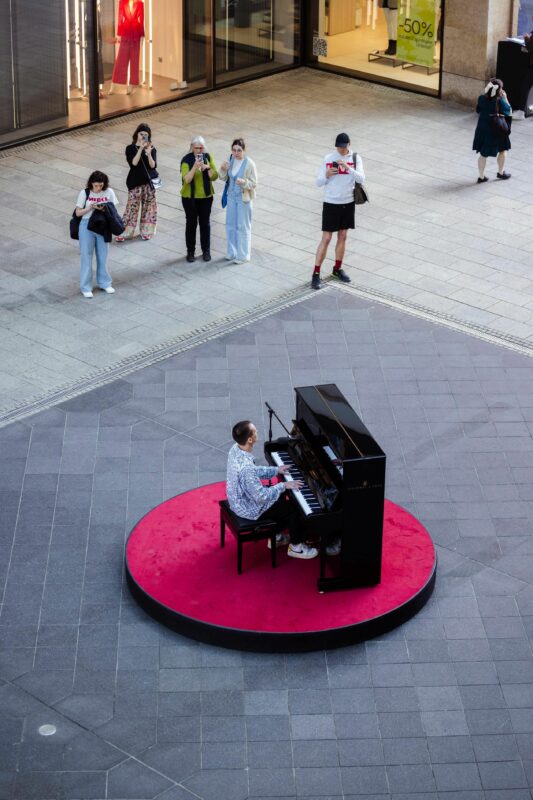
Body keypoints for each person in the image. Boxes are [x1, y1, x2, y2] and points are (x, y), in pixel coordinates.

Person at [226, 421, 319, 560]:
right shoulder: (246, 468)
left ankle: (276, 536)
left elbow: (253, 472)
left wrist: (275, 470)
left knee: (280, 498)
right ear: (250, 439)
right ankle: (296, 547)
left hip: (238, 500)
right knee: (293, 508)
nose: (257, 433)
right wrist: (284, 485)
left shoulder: (235, 449)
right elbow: (261, 497)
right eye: (255, 431)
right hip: (249, 508)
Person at [311, 133, 365, 290]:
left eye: (343, 146)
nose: (341, 150)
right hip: (331, 202)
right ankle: (315, 273)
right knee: (326, 238)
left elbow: (361, 179)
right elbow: (318, 182)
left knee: (343, 236)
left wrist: (348, 168)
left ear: (349, 144)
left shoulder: (355, 158)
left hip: (348, 202)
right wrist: (327, 175)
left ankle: (337, 269)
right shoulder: (328, 158)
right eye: (339, 147)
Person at [75, 171, 117, 298]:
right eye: (96, 185)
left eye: (100, 185)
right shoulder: (85, 193)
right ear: (91, 183)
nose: (98, 188)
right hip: (86, 225)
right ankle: (86, 287)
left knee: (103, 255)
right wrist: (91, 207)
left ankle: (105, 283)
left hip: (103, 225)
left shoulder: (109, 192)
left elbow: (113, 210)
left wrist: (104, 208)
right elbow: (78, 213)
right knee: (86, 256)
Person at [218, 138, 258, 264]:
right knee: (230, 225)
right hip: (231, 197)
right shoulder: (231, 160)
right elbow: (223, 178)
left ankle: (243, 255)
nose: (236, 153)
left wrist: (244, 182)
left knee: (243, 226)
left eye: (239, 150)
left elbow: (254, 183)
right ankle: (232, 252)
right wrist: (223, 169)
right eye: (234, 150)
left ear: (244, 150)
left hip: (243, 198)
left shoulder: (249, 163)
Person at [180, 135, 219, 262]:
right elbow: (186, 179)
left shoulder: (207, 157)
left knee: (205, 224)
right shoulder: (186, 160)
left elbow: (214, 177)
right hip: (189, 198)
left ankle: (206, 251)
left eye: (201, 148)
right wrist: (194, 167)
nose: (199, 151)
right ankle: (190, 252)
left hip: (206, 197)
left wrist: (207, 168)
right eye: (196, 148)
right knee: (191, 225)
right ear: (192, 147)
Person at [117, 122, 157, 241]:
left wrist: (149, 153)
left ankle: (147, 231)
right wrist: (140, 149)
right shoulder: (130, 148)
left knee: (149, 208)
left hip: (149, 184)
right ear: (137, 134)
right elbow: (133, 163)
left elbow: (153, 165)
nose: (143, 136)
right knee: (131, 208)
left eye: (146, 134)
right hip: (135, 183)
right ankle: (125, 232)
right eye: (141, 133)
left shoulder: (152, 149)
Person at [473, 78, 512, 184]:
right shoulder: (500, 100)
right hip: (496, 130)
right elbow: (509, 111)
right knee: (503, 150)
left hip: (482, 129)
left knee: (483, 154)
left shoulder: (481, 98)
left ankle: (481, 177)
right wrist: (506, 98)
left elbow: (478, 110)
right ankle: (501, 172)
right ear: (499, 90)